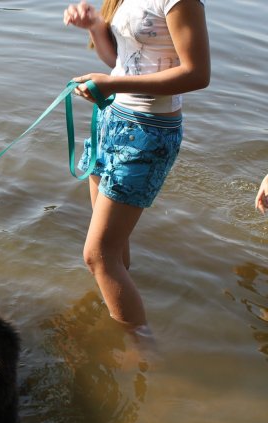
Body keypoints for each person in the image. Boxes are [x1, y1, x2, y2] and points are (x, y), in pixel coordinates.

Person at [63, 0, 210, 330]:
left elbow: (197, 74)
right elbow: (123, 63)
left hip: (149, 132)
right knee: (111, 253)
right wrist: (96, 27)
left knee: (98, 256)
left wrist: (112, 84)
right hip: (110, 119)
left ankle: (143, 352)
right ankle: (114, 329)